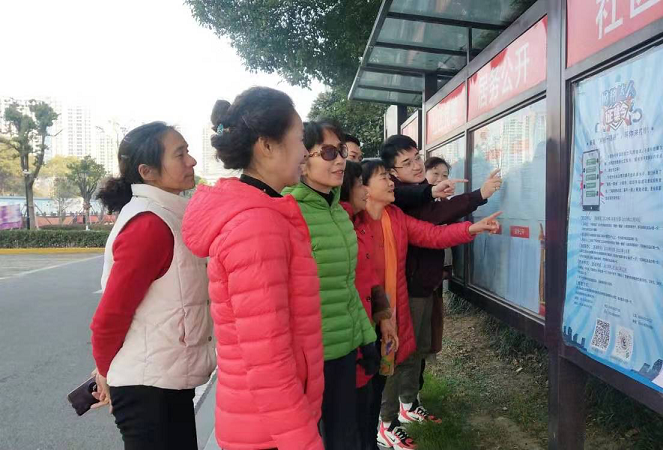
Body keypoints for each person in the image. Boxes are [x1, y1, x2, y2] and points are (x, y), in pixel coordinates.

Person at [182, 88, 325, 450]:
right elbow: (268, 361)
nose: (306, 151)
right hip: (270, 432)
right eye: (300, 139)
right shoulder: (256, 226)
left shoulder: (265, 213)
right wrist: (304, 442)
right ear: (267, 145)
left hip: (267, 424)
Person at [356, 158, 500, 449]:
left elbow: (432, 234)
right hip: (361, 310)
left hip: (391, 306)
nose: (391, 183)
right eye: (384, 177)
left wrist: (471, 229)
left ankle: (386, 423)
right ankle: (378, 424)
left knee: (391, 360)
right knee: (367, 374)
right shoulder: (352, 222)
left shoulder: (396, 216)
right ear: (364, 188)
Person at [90, 122, 216, 450]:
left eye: (188, 151)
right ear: (147, 172)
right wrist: (105, 370)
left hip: (166, 381)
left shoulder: (169, 215)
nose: (191, 161)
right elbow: (111, 315)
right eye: (180, 154)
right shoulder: (149, 225)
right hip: (147, 391)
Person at [381, 135, 502, 422]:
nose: (416, 165)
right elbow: (433, 219)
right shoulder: (396, 198)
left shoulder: (414, 194)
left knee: (418, 349)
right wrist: (478, 195)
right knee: (400, 353)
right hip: (405, 289)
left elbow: (434, 230)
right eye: (407, 162)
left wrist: (467, 220)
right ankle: (387, 419)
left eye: (417, 158)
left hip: (425, 284)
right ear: (391, 173)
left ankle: (408, 404)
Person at [282, 120, 378, 450]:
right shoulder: (288, 211)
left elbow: (346, 286)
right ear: (302, 159)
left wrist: (367, 338)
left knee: (345, 437)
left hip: (344, 351)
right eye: (328, 153)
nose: (340, 160)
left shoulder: (337, 211)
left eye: (341, 151)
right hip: (309, 360)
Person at [340, 161, 398, 450]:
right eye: (360, 184)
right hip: (348, 338)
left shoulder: (356, 223)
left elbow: (369, 278)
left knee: (369, 405)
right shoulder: (343, 226)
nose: (365, 190)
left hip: (368, 330)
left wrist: (384, 317)